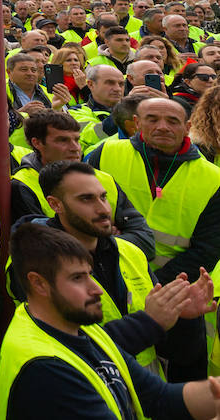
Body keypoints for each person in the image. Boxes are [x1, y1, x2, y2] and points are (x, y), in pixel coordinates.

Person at [0, 221, 220, 419]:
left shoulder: (80, 330)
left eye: (90, 275)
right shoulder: (43, 368)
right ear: (38, 283)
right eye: (78, 278)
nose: (96, 289)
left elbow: (159, 397)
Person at [37, 159, 213, 377]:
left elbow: (177, 353)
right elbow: (73, 352)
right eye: (86, 199)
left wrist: (183, 318)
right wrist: (150, 321)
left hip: (142, 401)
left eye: (103, 197)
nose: (103, 209)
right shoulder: (41, 266)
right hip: (88, 398)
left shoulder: (130, 253)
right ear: (55, 204)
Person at [88, 96, 220, 381]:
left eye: (172, 121)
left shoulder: (213, 178)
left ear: (187, 127)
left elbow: (208, 249)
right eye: (152, 119)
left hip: (178, 290)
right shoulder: (105, 152)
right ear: (136, 123)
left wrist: (154, 285)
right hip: (107, 284)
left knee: (185, 368)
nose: (162, 126)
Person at [10, 110, 155, 257]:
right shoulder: (22, 185)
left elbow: (145, 241)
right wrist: (108, 237)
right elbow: (48, 252)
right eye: (63, 140)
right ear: (37, 143)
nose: (75, 148)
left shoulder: (103, 178)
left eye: (77, 140)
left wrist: (100, 240)